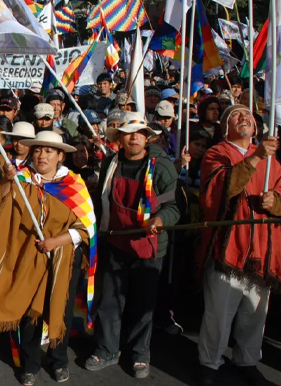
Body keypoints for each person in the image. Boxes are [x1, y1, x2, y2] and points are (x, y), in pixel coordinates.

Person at [197, 104, 281, 386]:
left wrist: (275, 201)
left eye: (249, 117)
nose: (244, 119)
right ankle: (209, 363)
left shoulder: (271, 161)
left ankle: (247, 360)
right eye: (237, 116)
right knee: (219, 315)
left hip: (262, 250)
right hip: (227, 250)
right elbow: (218, 193)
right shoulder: (217, 153)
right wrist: (255, 159)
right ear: (226, 126)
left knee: (255, 315)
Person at [0, 131, 94, 385]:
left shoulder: (73, 183)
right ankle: (31, 364)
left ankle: (59, 361)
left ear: (60, 156)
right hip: (29, 254)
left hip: (63, 258)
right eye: (38, 150)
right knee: (30, 312)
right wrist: (6, 181)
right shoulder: (21, 179)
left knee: (59, 309)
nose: (41, 155)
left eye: (48, 151)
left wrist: (56, 242)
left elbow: (86, 227)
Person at [85, 115, 179, 379]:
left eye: (140, 132)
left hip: (149, 246)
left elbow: (174, 206)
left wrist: (161, 219)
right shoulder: (110, 164)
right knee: (110, 301)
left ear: (147, 137)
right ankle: (106, 349)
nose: (134, 137)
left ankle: (139, 353)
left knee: (143, 304)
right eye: (129, 132)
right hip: (115, 241)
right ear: (120, 138)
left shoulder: (161, 168)